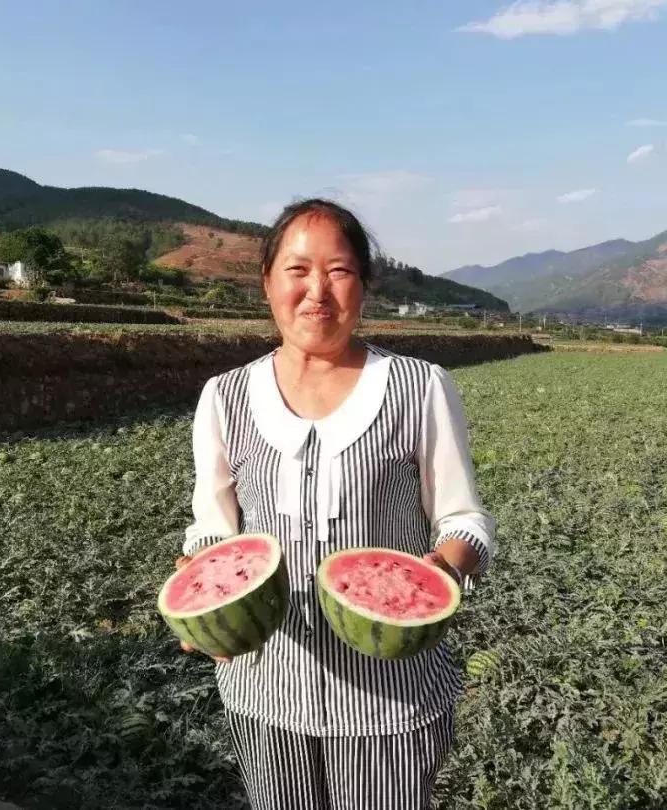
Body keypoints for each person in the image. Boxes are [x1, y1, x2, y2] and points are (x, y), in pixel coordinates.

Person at [174, 199, 497, 810]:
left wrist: (442, 571)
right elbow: (213, 532)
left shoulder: (419, 387)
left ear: (364, 286)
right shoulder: (224, 397)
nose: (316, 291)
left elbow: (464, 518)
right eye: (297, 271)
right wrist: (205, 606)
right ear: (268, 281)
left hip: (392, 695)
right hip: (264, 688)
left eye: (339, 271)